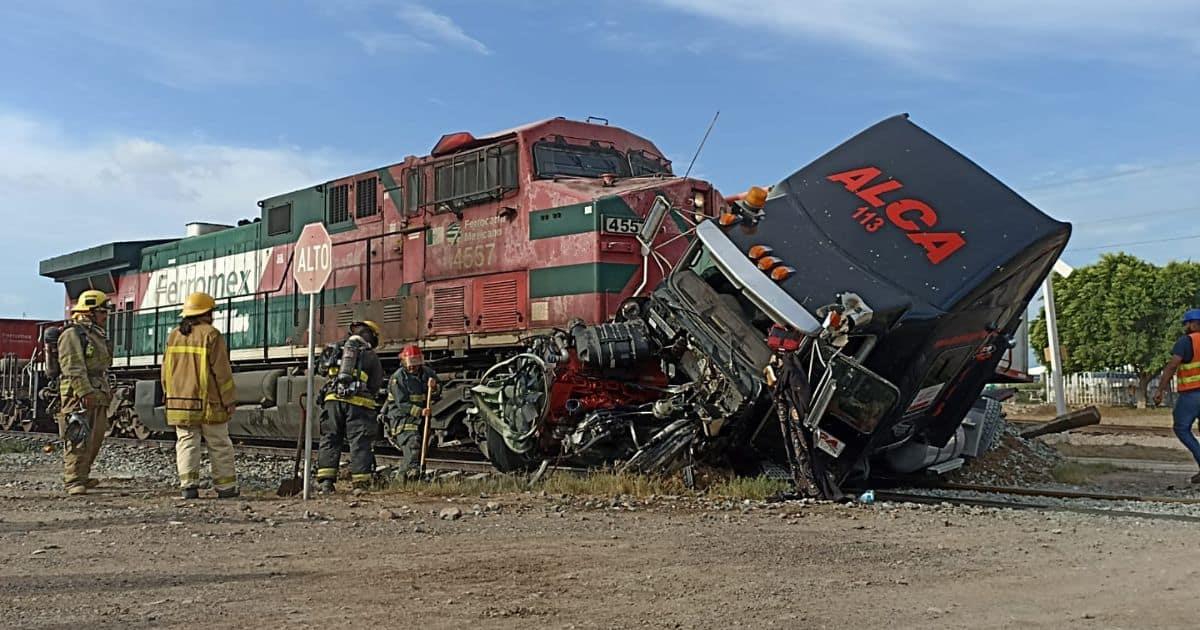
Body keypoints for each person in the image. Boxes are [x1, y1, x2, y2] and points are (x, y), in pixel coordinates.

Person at [161, 292, 239, 499]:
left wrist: (167, 394)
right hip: (208, 402)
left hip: (179, 402)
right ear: (207, 313)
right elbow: (222, 372)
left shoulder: (174, 335)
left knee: (186, 441)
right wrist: (229, 400)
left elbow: (165, 371)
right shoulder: (211, 335)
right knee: (219, 443)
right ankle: (226, 488)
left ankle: (188, 486)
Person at [56, 290, 114, 496]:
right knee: (78, 436)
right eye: (102, 312)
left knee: (95, 438)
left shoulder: (95, 334)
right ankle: (73, 481)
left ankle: (83, 475)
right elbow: (73, 367)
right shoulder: (72, 334)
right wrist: (84, 392)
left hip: (97, 391)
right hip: (78, 395)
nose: (106, 316)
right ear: (89, 312)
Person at [316, 321, 384, 494]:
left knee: (330, 438)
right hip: (358, 404)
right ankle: (360, 484)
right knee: (360, 442)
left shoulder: (333, 350)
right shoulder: (370, 355)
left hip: (332, 401)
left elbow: (320, 370)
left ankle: (326, 482)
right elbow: (375, 384)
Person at [1154, 308, 1200, 483]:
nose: (1185, 326)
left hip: (1192, 395)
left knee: (1181, 428)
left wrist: (1160, 389)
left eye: (1186, 323)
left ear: (1192, 324)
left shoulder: (1186, 341)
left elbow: (1173, 366)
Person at [382, 345, 438, 478]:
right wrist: (420, 411)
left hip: (421, 417)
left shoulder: (427, 373)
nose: (412, 367)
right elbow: (401, 404)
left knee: (424, 446)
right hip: (402, 417)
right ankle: (402, 478)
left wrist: (435, 387)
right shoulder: (398, 378)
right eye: (410, 363)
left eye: (415, 363)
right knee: (412, 444)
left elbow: (437, 392)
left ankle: (415, 476)